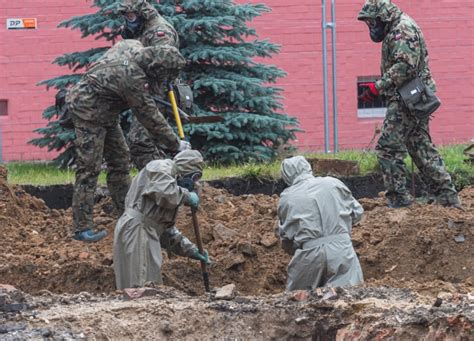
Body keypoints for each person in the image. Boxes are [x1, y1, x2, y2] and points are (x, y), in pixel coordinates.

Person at [67, 40, 190, 242]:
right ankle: (82, 228)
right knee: (89, 167)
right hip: (87, 111)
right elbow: (148, 115)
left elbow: (127, 43)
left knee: (120, 160)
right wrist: (176, 144)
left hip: (106, 112)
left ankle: (127, 214)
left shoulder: (135, 48)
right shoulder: (132, 77)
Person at [357, 0, 461, 209]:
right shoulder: (398, 27)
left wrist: (378, 87)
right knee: (420, 146)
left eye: (372, 22)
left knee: (388, 148)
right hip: (411, 97)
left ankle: (398, 199)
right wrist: (381, 88)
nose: (371, 28)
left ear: (383, 17)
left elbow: (405, 67)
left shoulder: (402, 30)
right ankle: (446, 197)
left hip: (408, 99)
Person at [113, 150, 210, 290]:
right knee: (140, 285)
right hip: (138, 231)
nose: (194, 183)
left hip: (145, 232)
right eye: (194, 178)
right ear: (187, 170)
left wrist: (192, 250)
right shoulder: (162, 167)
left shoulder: (172, 186)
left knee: (148, 285)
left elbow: (167, 231)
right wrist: (187, 196)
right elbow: (165, 192)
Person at [276, 156, 364, 291]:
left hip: (309, 254)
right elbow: (357, 213)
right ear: (308, 168)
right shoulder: (333, 183)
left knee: (296, 302)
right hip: (342, 250)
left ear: (286, 176)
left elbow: (286, 238)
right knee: (347, 298)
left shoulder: (286, 197)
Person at [119, 0, 182, 170]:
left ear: (142, 13)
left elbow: (166, 59)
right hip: (144, 90)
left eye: (131, 15)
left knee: (142, 142)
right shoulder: (140, 30)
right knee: (144, 143)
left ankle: (164, 183)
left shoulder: (158, 31)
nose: (128, 19)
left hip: (158, 91)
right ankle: (157, 184)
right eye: (126, 16)